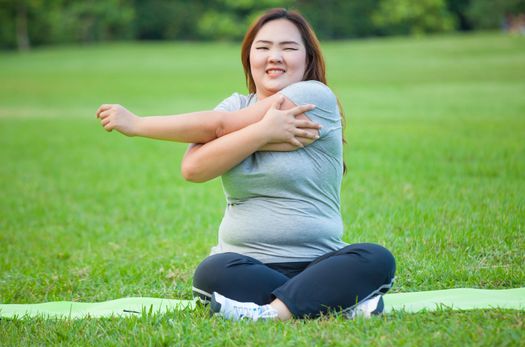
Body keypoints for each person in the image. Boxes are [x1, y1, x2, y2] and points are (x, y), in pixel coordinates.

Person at [97, 8, 395, 321]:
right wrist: (265, 131)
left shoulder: (315, 97)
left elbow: (221, 128)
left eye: (289, 48)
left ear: (308, 58)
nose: (274, 57)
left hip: (320, 261)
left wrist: (139, 124)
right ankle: (335, 300)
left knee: (374, 258)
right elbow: (194, 169)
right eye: (263, 47)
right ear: (249, 57)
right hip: (245, 264)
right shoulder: (235, 105)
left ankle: (271, 313)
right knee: (213, 271)